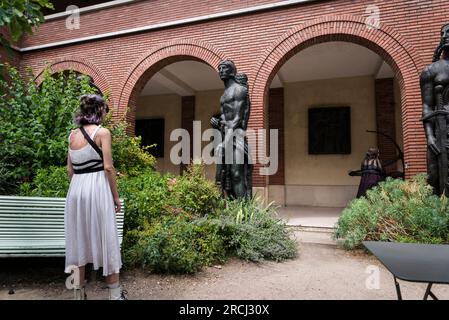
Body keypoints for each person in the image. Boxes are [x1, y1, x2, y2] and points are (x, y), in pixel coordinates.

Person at [64, 94, 127, 300]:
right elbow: (108, 167)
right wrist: (115, 197)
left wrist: (79, 187)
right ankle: (115, 295)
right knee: (107, 237)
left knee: (77, 241)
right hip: (98, 188)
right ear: (99, 111)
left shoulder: (72, 135)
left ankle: (77, 294)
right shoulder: (103, 133)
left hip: (76, 191)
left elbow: (69, 171)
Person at [210, 59, 252, 199]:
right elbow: (225, 118)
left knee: (236, 174)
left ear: (232, 71)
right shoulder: (223, 95)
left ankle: (243, 211)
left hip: (236, 138)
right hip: (225, 136)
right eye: (220, 68)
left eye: (224, 68)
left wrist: (225, 143)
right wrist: (217, 122)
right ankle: (222, 210)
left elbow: (237, 120)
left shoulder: (240, 90)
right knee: (219, 178)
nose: (221, 71)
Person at [420, 23, 449, 197]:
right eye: (443, 33)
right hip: (441, 128)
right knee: (435, 176)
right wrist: (429, 136)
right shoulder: (431, 70)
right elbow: (426, 105)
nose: (446, 35)